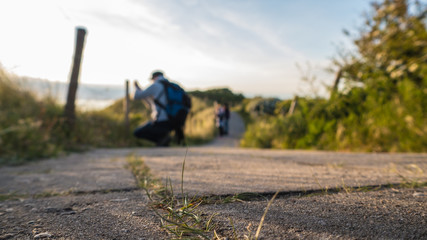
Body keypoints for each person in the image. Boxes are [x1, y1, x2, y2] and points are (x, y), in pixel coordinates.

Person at [133, 70, 174, 146]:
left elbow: (137, 96)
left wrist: (136, 87)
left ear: (155, 77)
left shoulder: (156, 85)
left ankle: (162, 139)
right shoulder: (170, 86)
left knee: (137, 132)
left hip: (161, 120)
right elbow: (152, 104)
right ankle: (163, 139)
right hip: (172, 119)